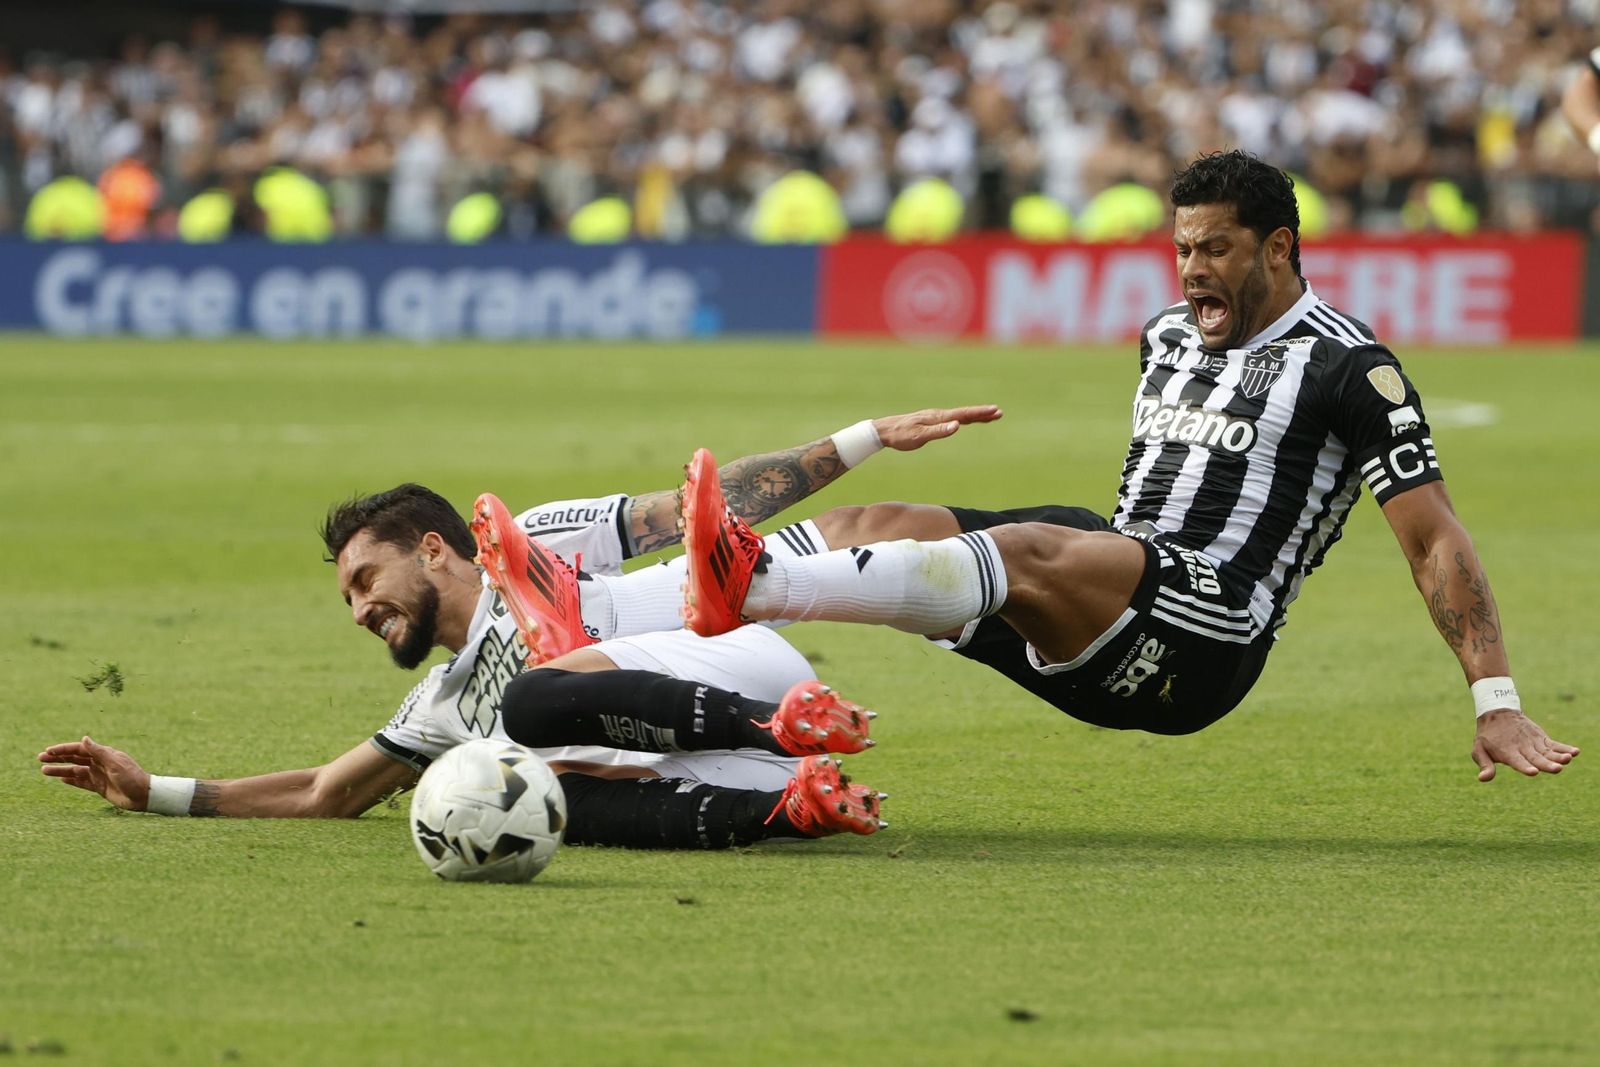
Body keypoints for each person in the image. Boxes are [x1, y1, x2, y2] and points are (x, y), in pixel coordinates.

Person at [675, 151, 1579, 785]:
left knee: (1028, 545)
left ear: (1277, 248)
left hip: (1211, 630)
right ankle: (619, 607)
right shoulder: (1165, 336)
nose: (1191, 271)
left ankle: (748, 587)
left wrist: (1494, 697)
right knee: (879, 523)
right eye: (1182, 249)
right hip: (1110, 586)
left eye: (1216, 249)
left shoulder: (1351, 368)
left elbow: (1434, 539)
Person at [39, 408, 999, 846]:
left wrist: (861, 440)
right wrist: (157, 790)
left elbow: (712, 504)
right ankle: (793, 805)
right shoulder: (439, 700)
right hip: (735, 766)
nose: (363, 607)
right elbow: (326, 793)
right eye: (350, 603)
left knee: (535, 700)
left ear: (435, 547)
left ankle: (590, 641)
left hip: (738, 663)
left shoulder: (539, 530)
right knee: (506, 788)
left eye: (367, 578)